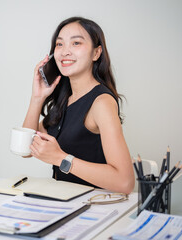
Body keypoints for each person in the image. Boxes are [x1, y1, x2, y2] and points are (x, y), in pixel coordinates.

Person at [23, 17, 134, 194]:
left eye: (76, 43)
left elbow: (125, 182)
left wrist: (61, 158)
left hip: (93, 205)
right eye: (59, 44)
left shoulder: (101, 102)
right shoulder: (64, 99)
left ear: (96, 53)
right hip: (63, 200)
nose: (65, 51)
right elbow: (26, 148)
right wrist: (37, 98)